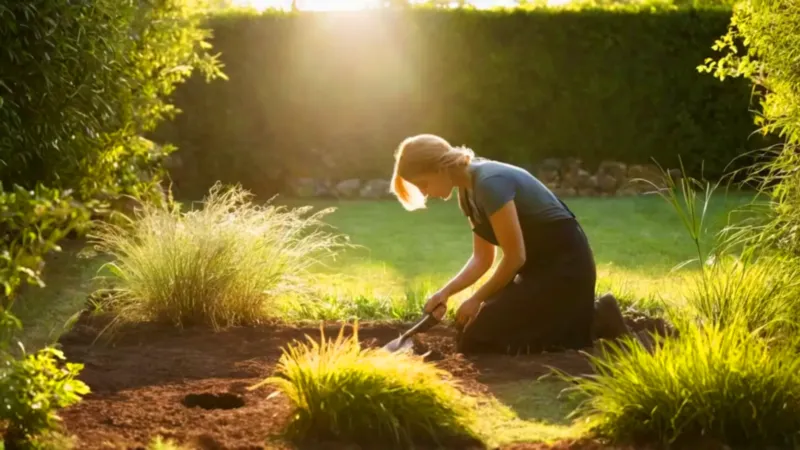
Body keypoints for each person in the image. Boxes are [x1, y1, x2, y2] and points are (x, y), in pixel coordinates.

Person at [389, 134, 625, 355]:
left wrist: (476, 299)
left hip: (565, 267)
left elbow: (515, 257)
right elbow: (482, 258)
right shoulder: (467, 193)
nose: (424, 192)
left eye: (423, 184)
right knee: (471, 333)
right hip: (534, 271)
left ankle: (597, 316)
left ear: (440, 168)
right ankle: (579, 316)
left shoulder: (490, 183)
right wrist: (445, 293)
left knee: (480, 338)